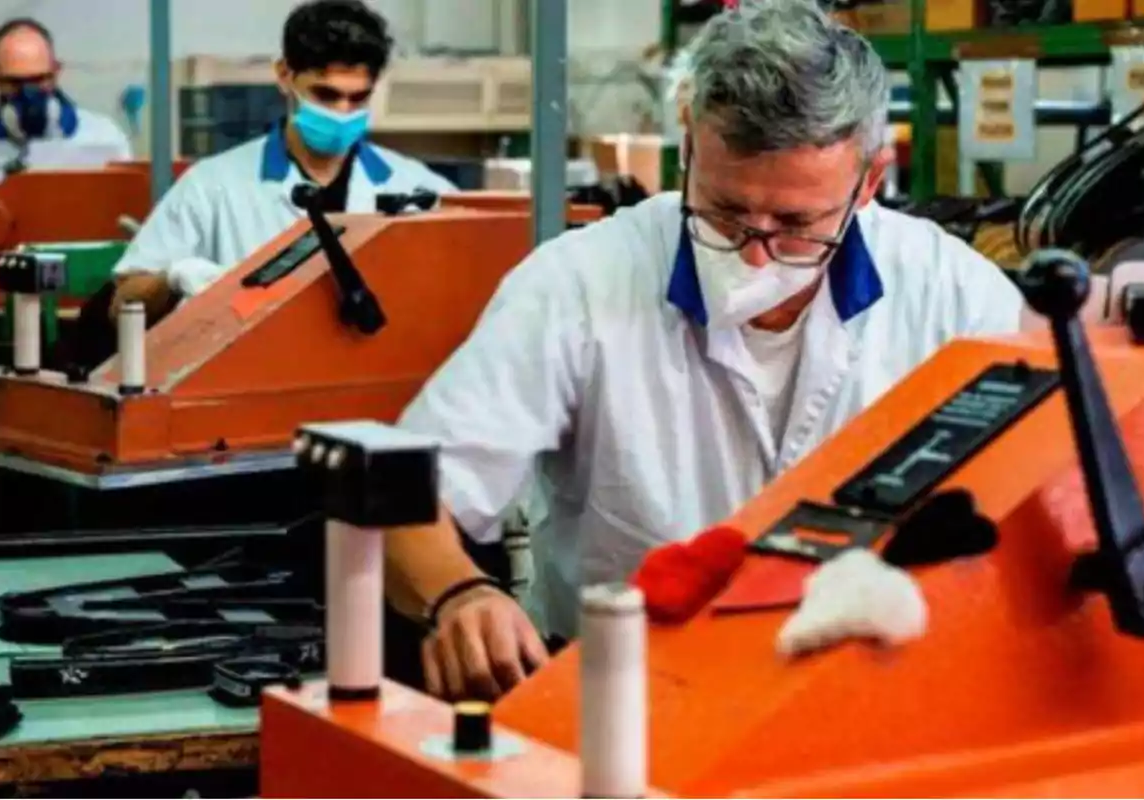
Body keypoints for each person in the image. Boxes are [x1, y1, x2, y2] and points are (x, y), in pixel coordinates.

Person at [388, 0, 1041, 701]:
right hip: (623, 701)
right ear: (690, 140)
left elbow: (1048, 496)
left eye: (795, 224)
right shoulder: (579, 285)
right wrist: (458, 594)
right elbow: (403, 497)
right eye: (725, 212)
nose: (754, 256)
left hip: (868, 702)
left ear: (870, 181)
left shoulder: (954, 298)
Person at [110, 0, 458, 321]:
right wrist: (171, 279)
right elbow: (121, 304)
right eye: (326, 94)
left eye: (358, 98)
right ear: (284, 75)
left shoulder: (417, 187)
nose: (342, 112)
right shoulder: (212, 186)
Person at [0, 18, 133, 198]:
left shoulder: (104, 137)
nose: (27, 94)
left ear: (56, 72)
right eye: (14, 82)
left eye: (39, 80)